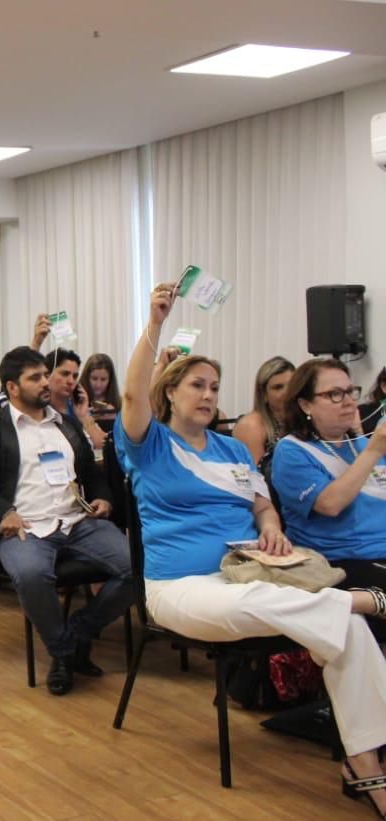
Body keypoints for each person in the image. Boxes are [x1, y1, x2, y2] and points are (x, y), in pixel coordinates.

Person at [118, 282, 386, 808]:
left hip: (246, 572)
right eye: (197, 384)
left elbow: (261, 502)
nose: (209, 395)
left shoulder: (232, 448)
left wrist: (270, 524)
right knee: (309, 607)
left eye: (215, 387)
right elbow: (131, 396)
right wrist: (155, 324)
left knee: (345, 627)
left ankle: (366, 769)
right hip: (181, 587)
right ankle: (354, 598)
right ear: (169, 392)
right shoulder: (150, 445)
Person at [0, 345, 132, 696]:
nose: (45, 383)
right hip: (26, 526)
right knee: (33, 575)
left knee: (136, 566)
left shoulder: (64, 423)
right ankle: (64, 653)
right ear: (13, 387)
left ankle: (78, 631)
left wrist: (103, 498)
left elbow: (90, 472)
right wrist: (3, 511)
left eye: (43, 375)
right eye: (34, 378)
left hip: (77, 520)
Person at [272, 358, 386, 638]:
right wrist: (374, 450)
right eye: (334, 394)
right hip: (340, 562)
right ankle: (357, 601)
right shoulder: (291, 451)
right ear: (305, 404)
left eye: (350, 391)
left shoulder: (359, 444)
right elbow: (330, 504)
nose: (348, 401)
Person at [233, 356, 296, 466]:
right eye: (278, 387)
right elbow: (255, 477)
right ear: (264, 395)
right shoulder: (251, 425)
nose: (287, 392)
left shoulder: (301, 421)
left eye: (292, 385)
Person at [45, 347, 107, 450]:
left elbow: (103, 444)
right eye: (65, 374)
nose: (70, 381)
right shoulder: (40, 410)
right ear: (47, 375)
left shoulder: (76, 408)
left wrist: (84, 415)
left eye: (75, 376)